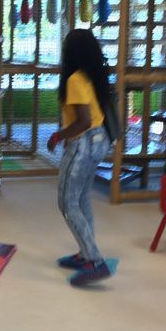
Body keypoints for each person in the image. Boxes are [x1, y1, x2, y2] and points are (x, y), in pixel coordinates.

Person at [47, 29, 116, 287]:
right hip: (100, 141)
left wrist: (58, 136)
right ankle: (86, 255)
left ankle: (95, 260)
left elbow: (83, 121)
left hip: (83, 144)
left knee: (67, 203)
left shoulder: (75, 79)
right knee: (82, 197)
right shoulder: (90, 76)